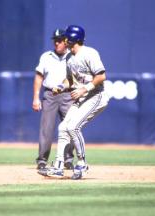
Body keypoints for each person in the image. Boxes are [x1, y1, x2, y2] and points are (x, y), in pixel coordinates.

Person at [39, 25, 110, 180]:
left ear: (74, 39)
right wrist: (61, 85)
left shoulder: (89, 53)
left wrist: (84, 89)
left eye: (67, 37)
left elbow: (101, 76)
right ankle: (58, 166)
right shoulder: (70, 57)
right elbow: (70, 80)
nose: (64, 40)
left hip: (96, 95)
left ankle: (82, 163)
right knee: (63, 127)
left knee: (73, 127)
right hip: (82, 97)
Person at [33, 28, 74, 170]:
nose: (57, 43)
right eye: (55, 40)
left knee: (70, 127)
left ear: (66, 41)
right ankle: (42, 160)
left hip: (68, 95)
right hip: (50, 95)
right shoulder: (46, 56)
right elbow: (39, 76)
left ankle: (68, 159)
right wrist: (36, 98)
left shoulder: (72, 56)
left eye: (60, 40)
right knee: (46, 128)